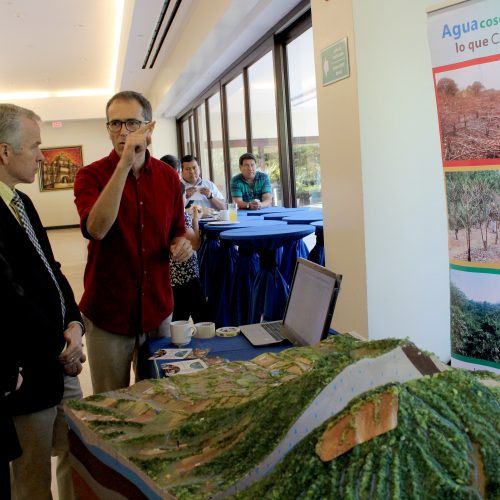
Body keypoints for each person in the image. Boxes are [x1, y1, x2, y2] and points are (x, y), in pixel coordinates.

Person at [74, 91, 192, 394]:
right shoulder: (90, 176)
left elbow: (179, 230)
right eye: (115, 124)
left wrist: (182, 244)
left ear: (149, 128)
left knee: (159, 398)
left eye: (132, 123)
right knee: (111, 404)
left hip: (157, 309)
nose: (123, 132)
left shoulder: (168, 178)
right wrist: (124, 164)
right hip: (109, 313)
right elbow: (96, 229)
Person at [0, 103, 85, 499]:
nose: (42, 156)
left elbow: (52, 270)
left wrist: (76, 325)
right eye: (35, 146)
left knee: (78, 457)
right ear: (5, 152)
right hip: (27, 372)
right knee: (32, 480)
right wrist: (61, 347)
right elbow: (9, 302)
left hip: (62, 362)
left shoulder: (22, 202)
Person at [160, 155, 208, 323]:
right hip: (186, 274)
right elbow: (195, 243)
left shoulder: (159, 205)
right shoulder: (177, 212)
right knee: (203, 320)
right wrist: (195, 219)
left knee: (178, 319)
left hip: (170, 276)